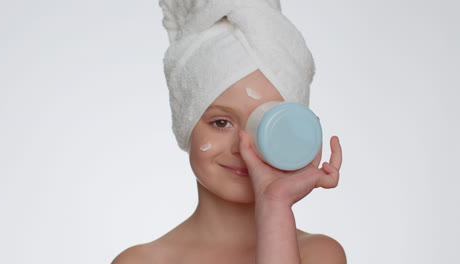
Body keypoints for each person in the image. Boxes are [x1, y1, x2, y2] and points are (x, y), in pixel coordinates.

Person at [113, 1, 345, 263]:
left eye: (264, 124)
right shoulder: (140, 261)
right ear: (185, 125)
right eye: (221, 123)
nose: (242, 147)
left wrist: (274, 205)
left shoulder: (318, 254)